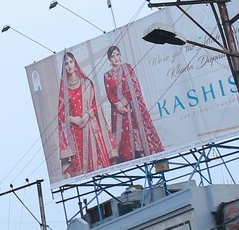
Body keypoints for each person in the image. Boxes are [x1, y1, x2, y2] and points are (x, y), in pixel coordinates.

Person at [56, 50, 116, 178]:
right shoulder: (63, 90)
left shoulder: (87, 83)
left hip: (92, 128)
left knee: (101, 168)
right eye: (66, 64)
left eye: (71, 62)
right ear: (64, 68)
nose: (69, 65)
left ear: (75, 63)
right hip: (76, 133)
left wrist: (87, 114)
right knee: (83, 173)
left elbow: (95, 105)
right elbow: (61, 114)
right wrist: (73, 119)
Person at [102, 45, 163, 161]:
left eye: (117, 55)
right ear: (109, 59)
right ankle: (123, 156)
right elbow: (109, 93)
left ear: (120, 56)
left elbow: (134, 88)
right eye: (112, 56)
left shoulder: (128, 68)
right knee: (121, 134)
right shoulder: (107, 75)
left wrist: (123, 103)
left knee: (134, 128)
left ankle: (138, 151)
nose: (115, 58)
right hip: (117, 111)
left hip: (131, 107)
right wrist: (118, 105)